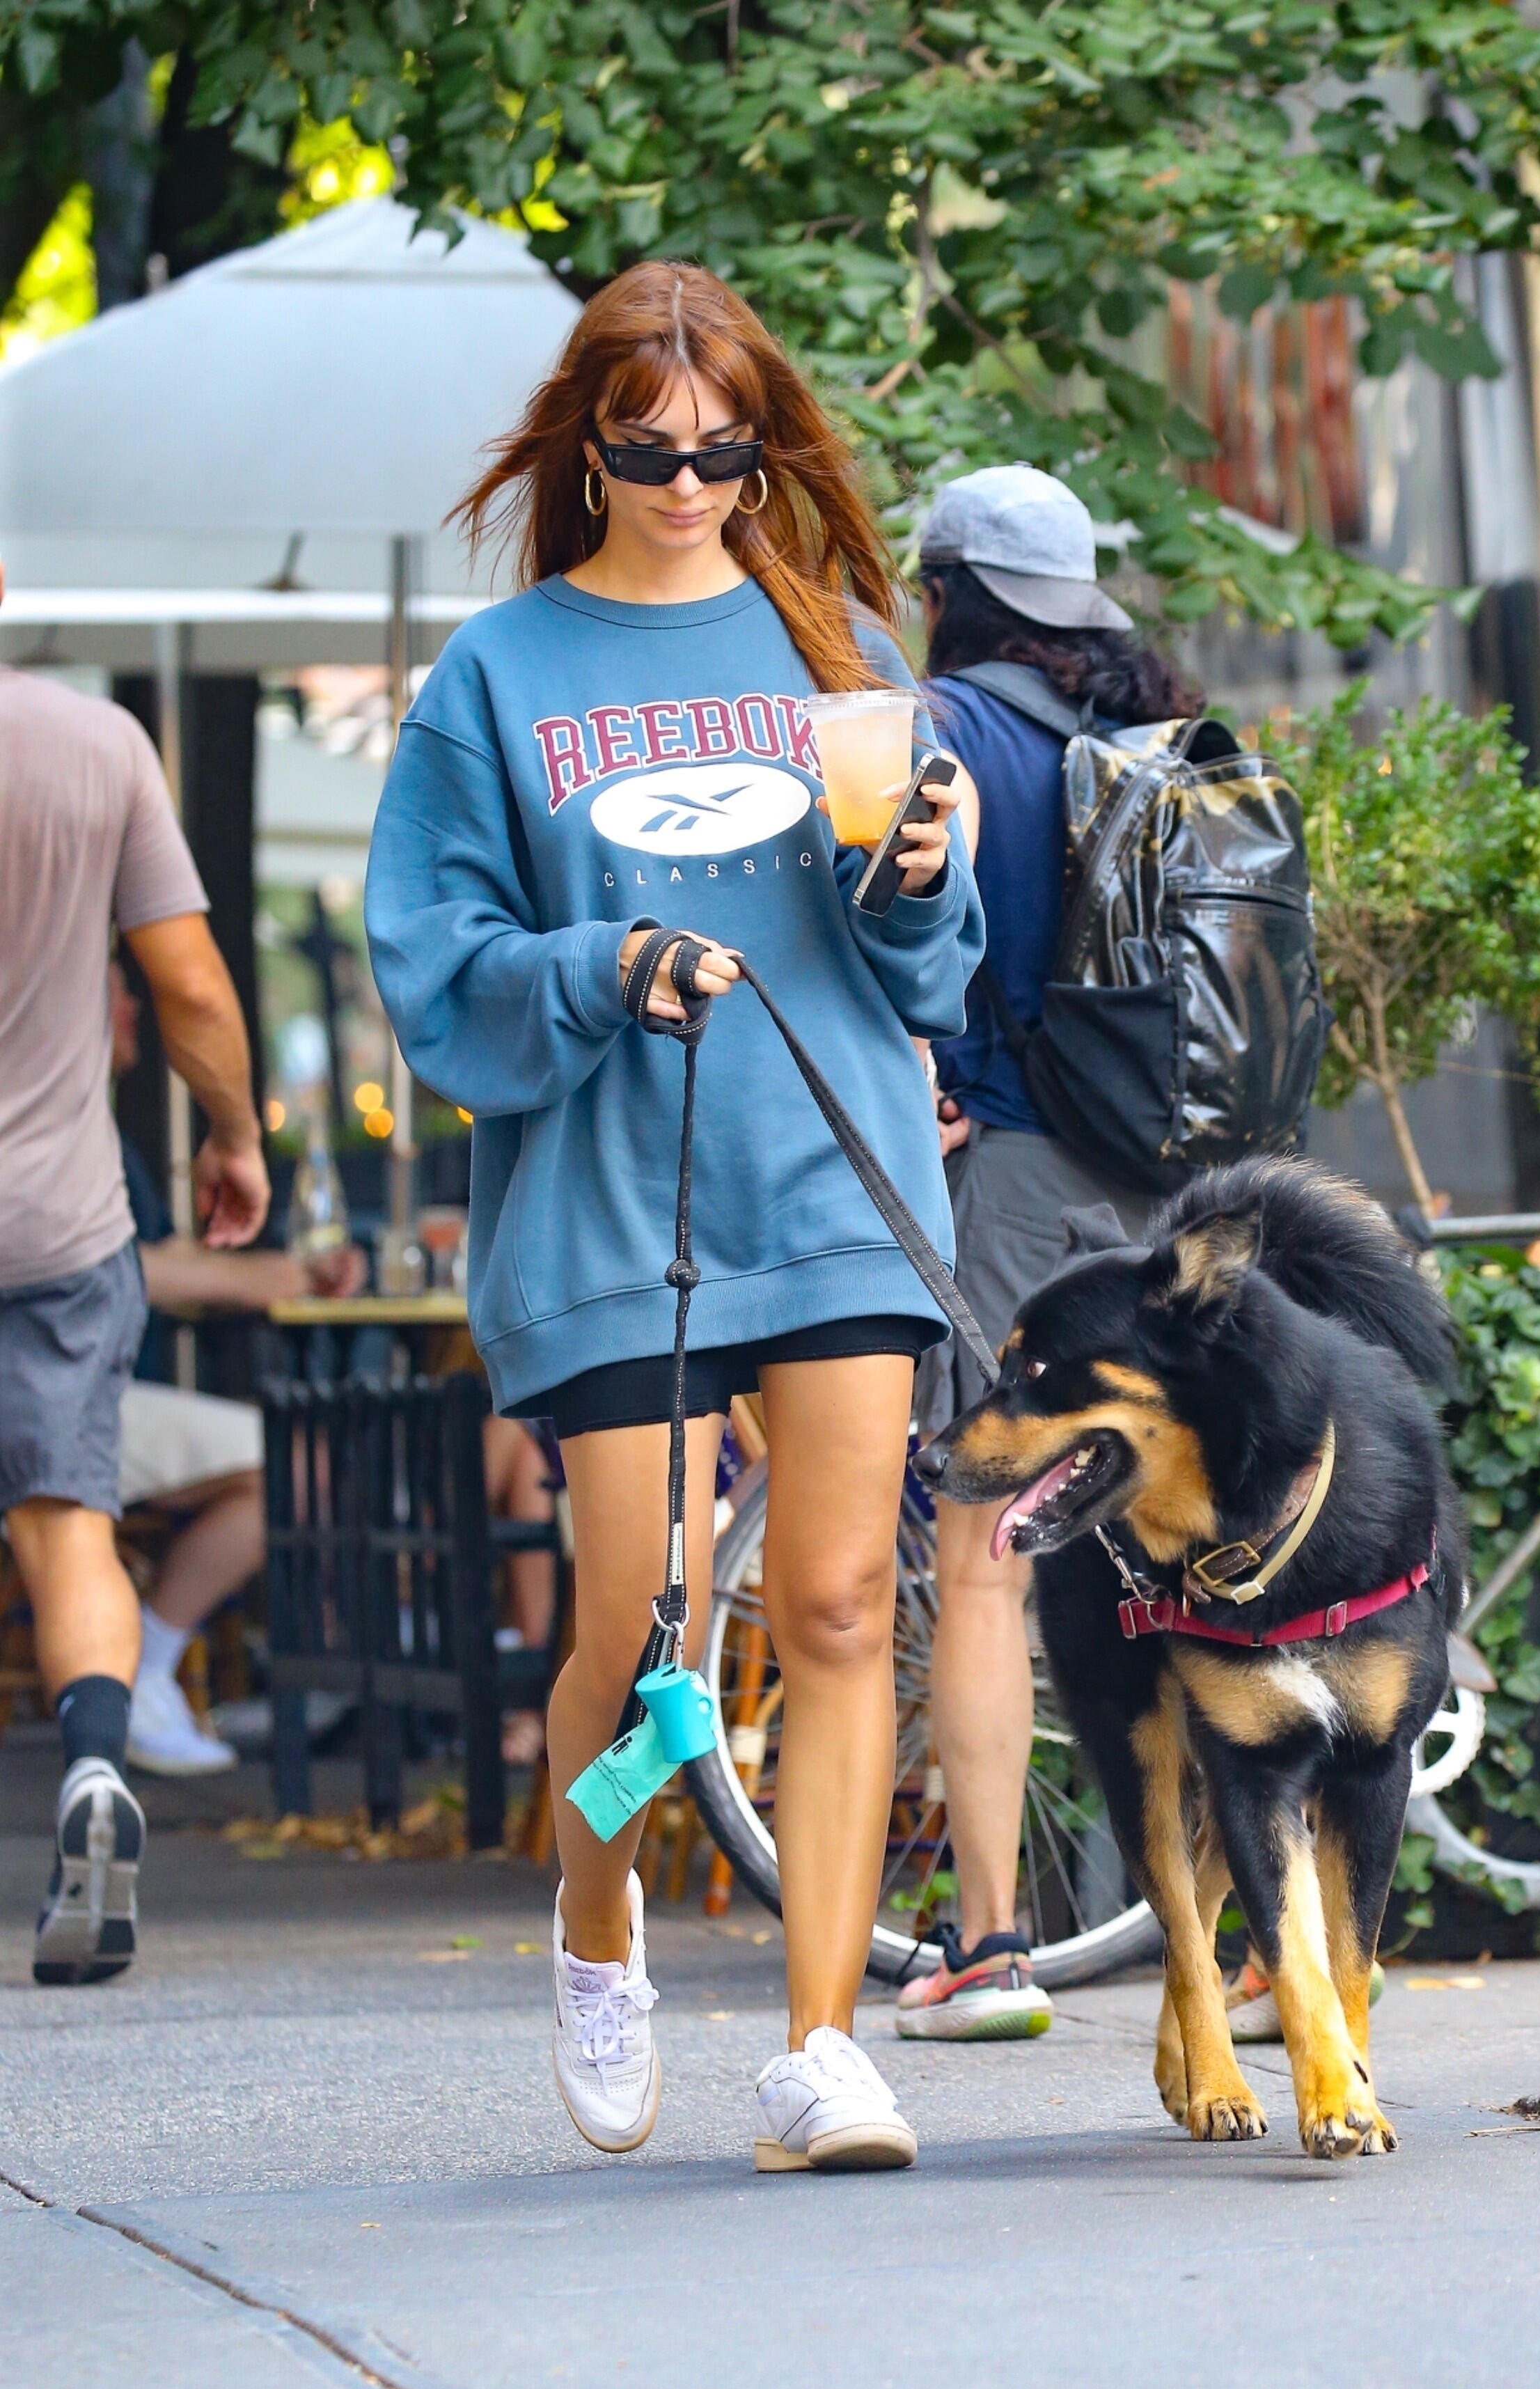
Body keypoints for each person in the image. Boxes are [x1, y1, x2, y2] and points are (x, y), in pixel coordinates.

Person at [365, 261, 982, 2171]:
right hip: (610, 1195)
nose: (693, 487)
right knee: (643, 1625)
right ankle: (596, 1915)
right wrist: (599, 961)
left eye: (727, 454)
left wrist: (921, 871)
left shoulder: (837, 646)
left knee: (839, 1603)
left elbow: (925, 966)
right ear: (588, 448)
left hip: (831, 1168)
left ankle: (820, 2046)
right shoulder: (500, 674)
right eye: (651, 454)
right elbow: (430, 956)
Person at [901, 466, 1203, 2041]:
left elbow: (897, 951)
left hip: (1014, 1183)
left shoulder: (942, 734)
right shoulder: (1151, 734)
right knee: (1193, 1549)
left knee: (979, 1557)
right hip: (1173, 1187)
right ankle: (1252, 1946)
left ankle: (992, 1944)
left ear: (945, 594)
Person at [0, 567, 271, 1984]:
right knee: (69, 1525)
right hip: (56, 1222)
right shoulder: (98, 744)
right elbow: (193, 984)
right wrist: (234, 1134)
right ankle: (98, 1769)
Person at [105, 959, 366, 1774]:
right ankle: (140, 1669)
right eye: (114, 987)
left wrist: (275, 1271)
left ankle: (145, 1666)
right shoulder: (49, 1120)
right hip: (62, 1396)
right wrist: (263, 1277)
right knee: (292, 1460)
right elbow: (122, 1270)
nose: (132, 1004)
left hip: (88, 1389)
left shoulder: (88, 1124)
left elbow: (152, 1257)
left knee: (300, 1455)